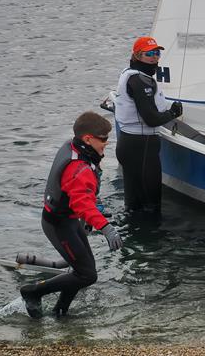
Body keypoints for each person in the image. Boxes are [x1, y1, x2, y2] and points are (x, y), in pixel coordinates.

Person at [20, 111, 122, 319]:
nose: (107, 143)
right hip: (58, 225)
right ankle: (32, 292)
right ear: (88, 139)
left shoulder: (78, 148)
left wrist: (87, 220)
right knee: (87, 274)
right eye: (103, 139)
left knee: (82, 271)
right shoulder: (78, 168)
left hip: (70, 220)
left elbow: (83, 197)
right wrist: (107, 229)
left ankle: (60, 311)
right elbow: (82, 203)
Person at [114, 36, 183, 214]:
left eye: (157, 53)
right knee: (151, 207)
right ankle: (149, 240)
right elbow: (151, 119)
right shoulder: (140, 81)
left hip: (129, 144)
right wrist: (173, 113)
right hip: (141, 147)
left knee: (133, 206)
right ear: (137, 55)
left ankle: (132, 237)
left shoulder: (129, 74)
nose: (154, 57)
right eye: (149, 54)